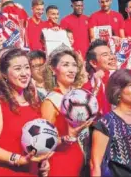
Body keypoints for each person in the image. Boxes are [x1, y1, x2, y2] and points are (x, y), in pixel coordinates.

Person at [0, 48, 52, 176]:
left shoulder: (35, 103)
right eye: (17, 68)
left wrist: (43, 162)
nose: (24, 73)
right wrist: (18, 159)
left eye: (26, 67)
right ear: (4, 74)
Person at [41, 48, 89, 176]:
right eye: (65, 65)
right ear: (53, 69)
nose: (72, 69)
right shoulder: (51, 101)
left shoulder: (80, 98)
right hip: (60, 162)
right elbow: (44, 140)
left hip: (80, 160)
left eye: (74, 65)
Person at [82, 39, 118, 115]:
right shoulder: (87, 89)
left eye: (111, 53)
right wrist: (97, 86)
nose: (112, 57)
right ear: (93, 63)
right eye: (105, 55)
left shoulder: (121, 79)